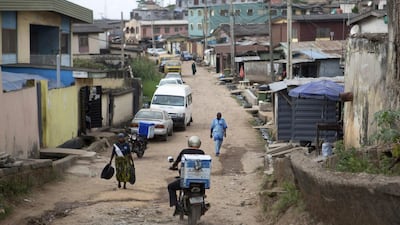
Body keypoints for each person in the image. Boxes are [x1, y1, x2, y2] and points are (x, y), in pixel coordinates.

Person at [168, 136, 205, 216]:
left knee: (170, 187)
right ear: (199, 144)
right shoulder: (202, 152)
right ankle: (203, 204)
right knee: (202, 191)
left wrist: (173, 166)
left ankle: (176, 206)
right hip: (200, 181)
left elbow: (177, 162)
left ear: (189, 143)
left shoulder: (184, 151)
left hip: (186, 181)